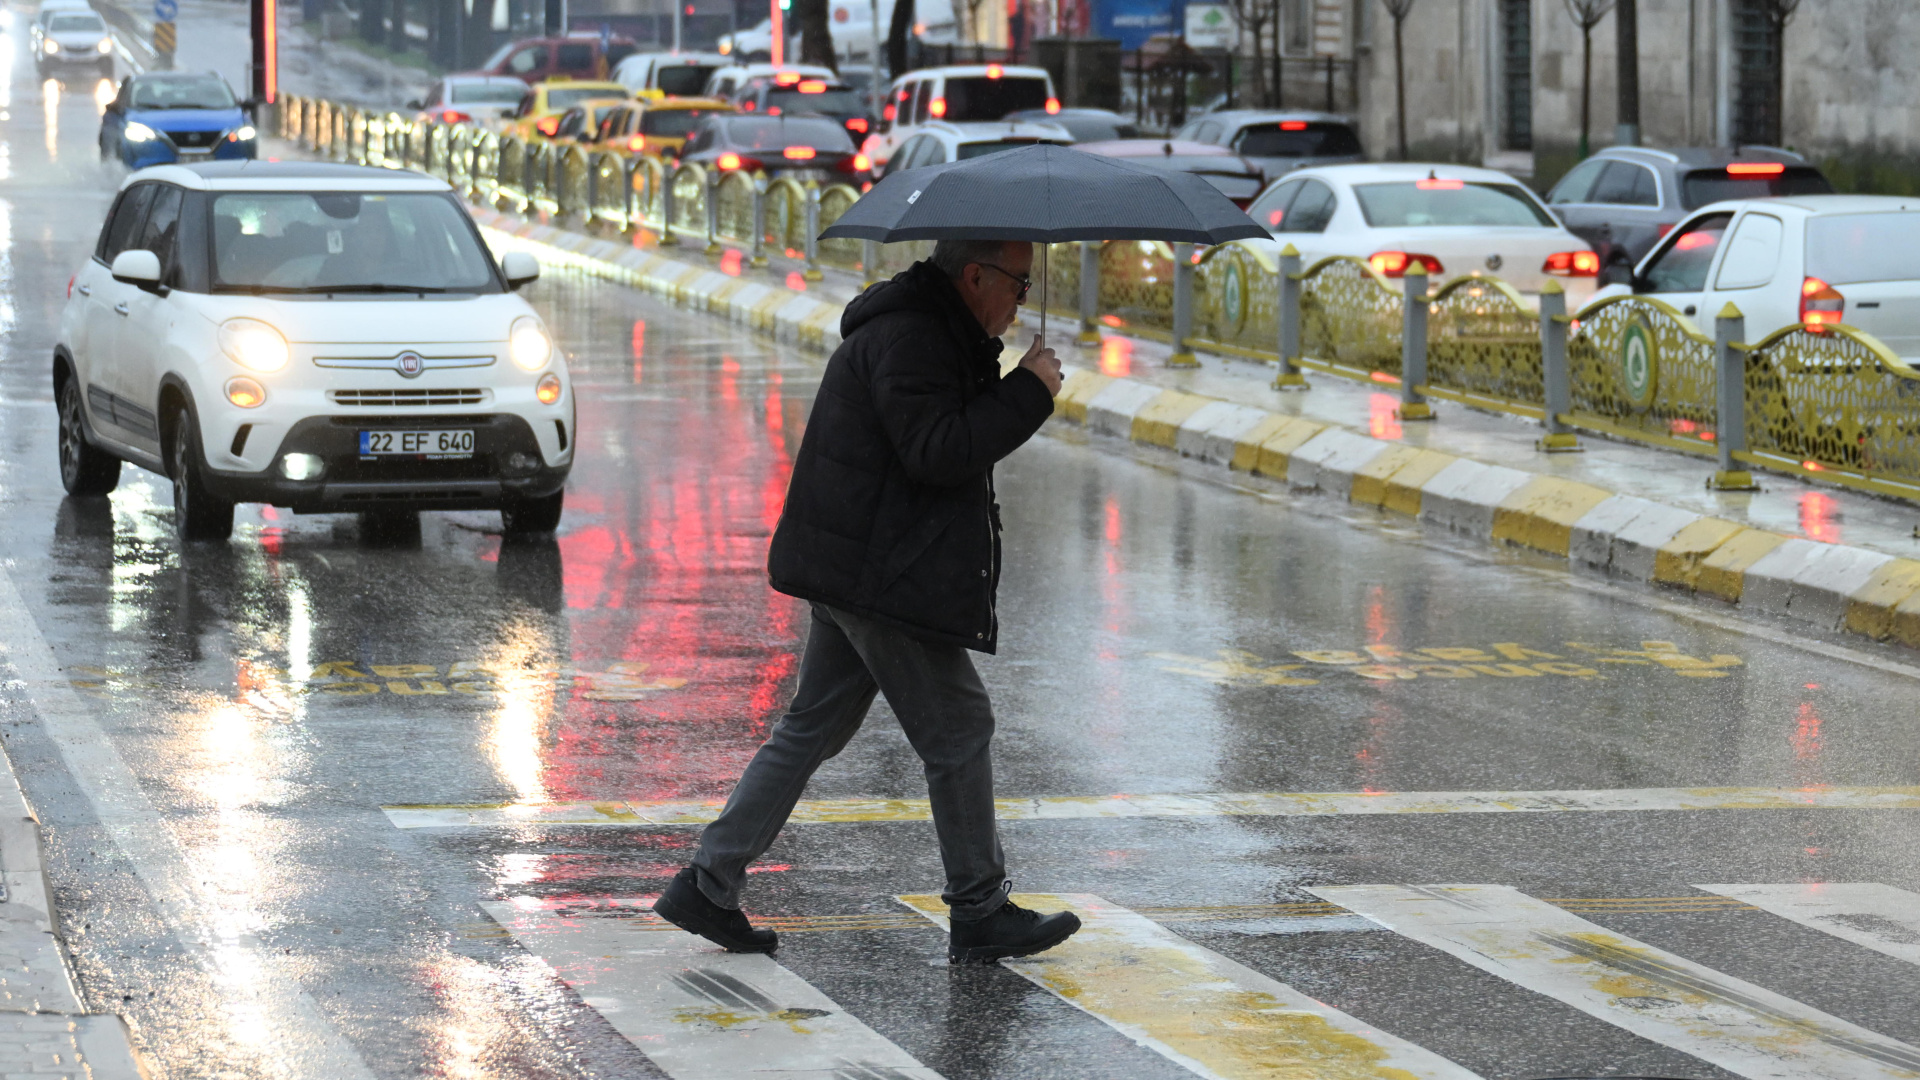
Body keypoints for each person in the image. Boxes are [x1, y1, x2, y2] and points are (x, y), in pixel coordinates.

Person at [653, 238, 1075, 965]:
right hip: (879, 570)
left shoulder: (934, 330)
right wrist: (1030, 388)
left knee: (813, 725)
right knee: (960, 726)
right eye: (1017, 283)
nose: (1020, 300)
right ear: (974, 276)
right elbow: (938, 450)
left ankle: (708, 881)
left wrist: (1003, 375)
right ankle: (979, 907)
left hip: (858, 559)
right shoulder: (913, 337)